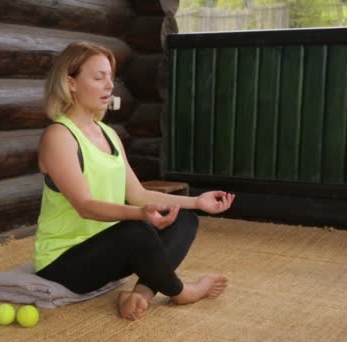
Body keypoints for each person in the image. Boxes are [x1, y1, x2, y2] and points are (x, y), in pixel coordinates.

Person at [34, 41, 235, 321]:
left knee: (185, 219)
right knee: (135, 229)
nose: (109, 86)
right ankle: (182, 292)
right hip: (64, 264)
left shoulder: (108, 133)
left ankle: (140, 295)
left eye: (110, 77)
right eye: (98, 77)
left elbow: (138, 194)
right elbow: (85, 205)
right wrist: (139, 215)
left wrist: (196, 202)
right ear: (71, 83)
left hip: (109, 253)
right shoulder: (59, 136)